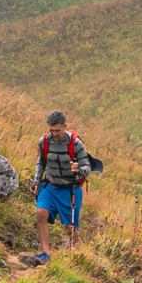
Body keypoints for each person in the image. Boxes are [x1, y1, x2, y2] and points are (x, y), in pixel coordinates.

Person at [30, 109, 91, 265]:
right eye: (51, 130)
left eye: (57, 130)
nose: (54, 134)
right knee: (41, 213)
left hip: (70, 189)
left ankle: (77, 256)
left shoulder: (76, 144)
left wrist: (79, 169)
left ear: (65, 126)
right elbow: (41, 162)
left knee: (70, 228)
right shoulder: (44, 142)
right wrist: (36, 181)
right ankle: (45, 254)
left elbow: (87, 167)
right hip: (50, 186)